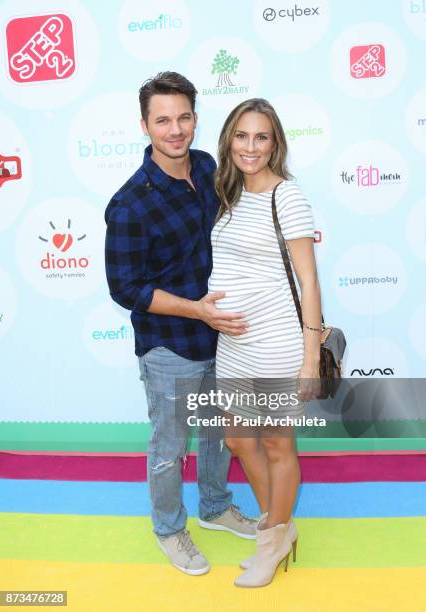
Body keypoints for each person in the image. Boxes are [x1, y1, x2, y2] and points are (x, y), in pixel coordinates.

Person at [104, 72, 257, 577]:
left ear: (195, 118)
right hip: (170, 345)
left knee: (216, 432)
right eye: (163, 119)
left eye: (184, 117)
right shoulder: (130, 204)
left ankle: (215, 507)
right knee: (170, 447)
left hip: (223, 336)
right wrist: (197, 310)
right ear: (145, 125)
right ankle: (170, 529)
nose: (175, 129)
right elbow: (127, 289)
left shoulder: (209, 166)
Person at [209, 98, 322, 587]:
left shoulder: (287, 196)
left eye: (261, 137)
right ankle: (278, 528)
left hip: (276, 345)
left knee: (277, 446)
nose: (250, 147)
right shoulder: (228, 195)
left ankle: (271, 543)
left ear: (275, 143)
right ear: (228, 141)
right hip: (231, 346)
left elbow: (310, 282)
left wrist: (311, 357)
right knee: (238, 440)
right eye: (241, 136)